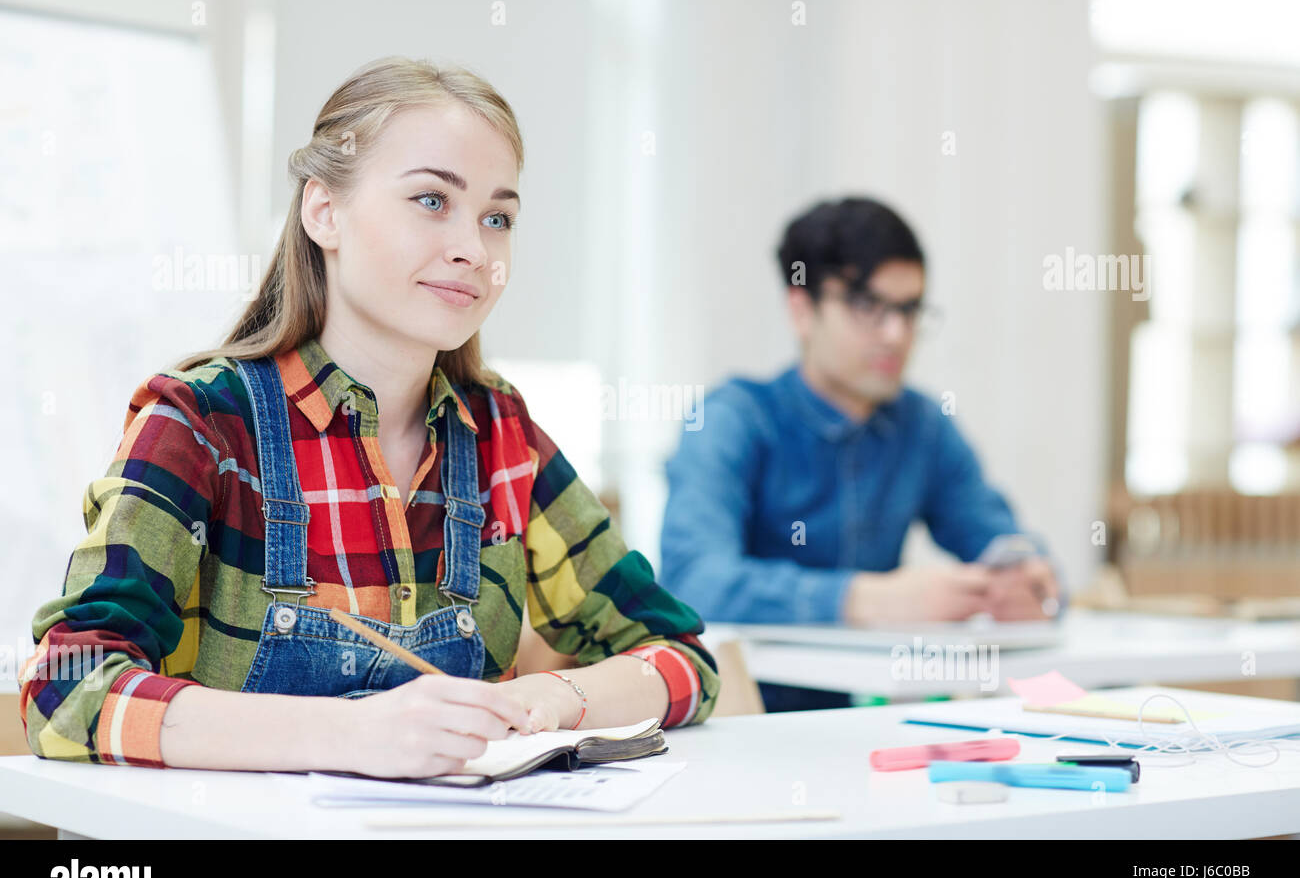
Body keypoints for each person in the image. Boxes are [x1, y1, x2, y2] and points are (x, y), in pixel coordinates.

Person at [19, 56, 717, 777]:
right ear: (324, 211)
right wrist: (353, 735)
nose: (474, 251)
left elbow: (683, 657)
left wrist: (553, 697)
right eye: (430, 201)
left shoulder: (503, 435)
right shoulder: (202, 422)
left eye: (497, 217)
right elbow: (65, 689)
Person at [659, 196, 1063, 713]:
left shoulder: (923, 427)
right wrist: (869, 600)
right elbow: (692, 583)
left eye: (909, 309)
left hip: (867, 729)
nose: (896, 333)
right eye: (867, 306)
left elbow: (1002, 542)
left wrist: (1030, 584)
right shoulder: (732, 419)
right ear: (802, 310)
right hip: (740, 728)